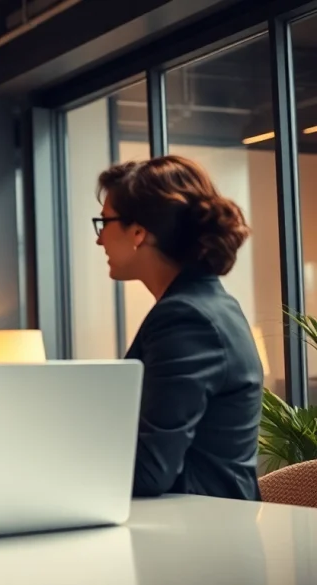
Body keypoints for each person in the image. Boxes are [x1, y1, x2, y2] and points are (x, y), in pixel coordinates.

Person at [94, 154, 263, 500]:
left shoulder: (187, 319)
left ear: (138, 232)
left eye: (104, 222)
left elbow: (150, 470)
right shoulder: (208, 305)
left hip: (201, 534)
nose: (100, 240)